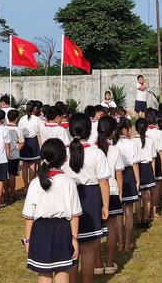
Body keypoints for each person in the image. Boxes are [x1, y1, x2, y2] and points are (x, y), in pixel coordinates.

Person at [22, 138, 81, 282]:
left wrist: (28, 240)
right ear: (64, 158)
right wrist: (75, 239)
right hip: (62, 230)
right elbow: (75, 215)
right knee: (62, 271)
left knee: (44, 274)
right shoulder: (69, 182)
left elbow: (29, 216)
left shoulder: (35, 183)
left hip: (40, 231)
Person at [64, 113, 110, 282]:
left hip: (68, 199)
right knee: (88, 249)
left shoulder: (64, 152)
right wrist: (105, 206)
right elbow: (104, 182)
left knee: (71, 247)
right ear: (90, 131)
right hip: (90, 199)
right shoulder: (96, 153)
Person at [96, 116, 123, 275]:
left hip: (96, 193)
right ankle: (109, 263)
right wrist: (120, 193)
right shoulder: (114, 150)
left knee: (97, 231)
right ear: (113, 132)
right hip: (112, 192)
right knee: (111, 229)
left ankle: (98, 264)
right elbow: (119, 173)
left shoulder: (93, 149)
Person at [114, 117, 140, 252]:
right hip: (129, 175)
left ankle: (119, 242)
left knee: (119, 212)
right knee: (129, 211)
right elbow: (135, 164)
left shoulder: (114, 144)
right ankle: (128, 242)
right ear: (125, 129)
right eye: (130, 128)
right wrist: (137, 180)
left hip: (116, 175)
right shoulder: (132, 144)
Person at [133, 117, 156, 228]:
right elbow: (153, 158)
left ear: (136, 128)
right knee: (147, 195)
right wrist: (153, 174)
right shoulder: (150, 141)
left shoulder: (132, 141)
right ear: (146, 128)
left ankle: (139, 219)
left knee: (138, 196)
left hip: (137, 168)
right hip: (147, 168)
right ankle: (146, 219)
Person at [19, 100, 42, 190]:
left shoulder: (22, 119)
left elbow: (20, 132)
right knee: (32, 165)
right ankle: (31, 186)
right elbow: (38, 133)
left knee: (25, 165)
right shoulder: (36, 119)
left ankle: (25, 186)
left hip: (24, 142)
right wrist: (41, 146)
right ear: (34, 108)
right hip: (33, 142)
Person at [6, 109, 25, 201]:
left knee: (5, 175)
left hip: (5, 155)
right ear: (16, 118)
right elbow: (22, 142)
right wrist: (16, 150)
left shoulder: (4, 128)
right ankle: (12, 194)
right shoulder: (18, 129)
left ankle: (6, 193)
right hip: (14, 155)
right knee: (12, 175)